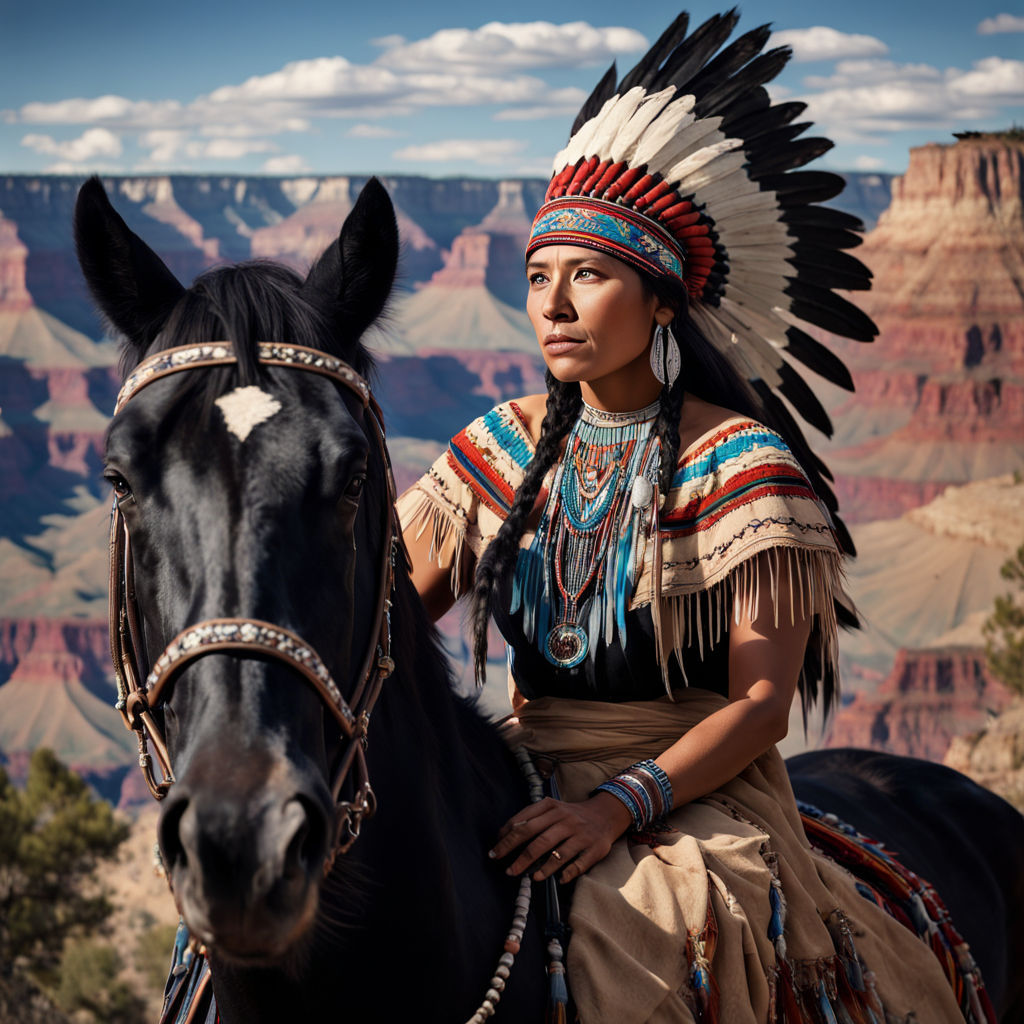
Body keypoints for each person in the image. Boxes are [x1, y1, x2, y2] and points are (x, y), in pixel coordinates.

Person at [396, 10, 969, 1023]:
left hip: (688, 793)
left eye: (588, 274)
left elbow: (758, 704)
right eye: (537, 277)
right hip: (518, 767)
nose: (554, 305)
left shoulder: (742, 466)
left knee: (646, 957)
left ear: (659, 301)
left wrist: (619, 805)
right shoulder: (492, 449)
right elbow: (378, 613)